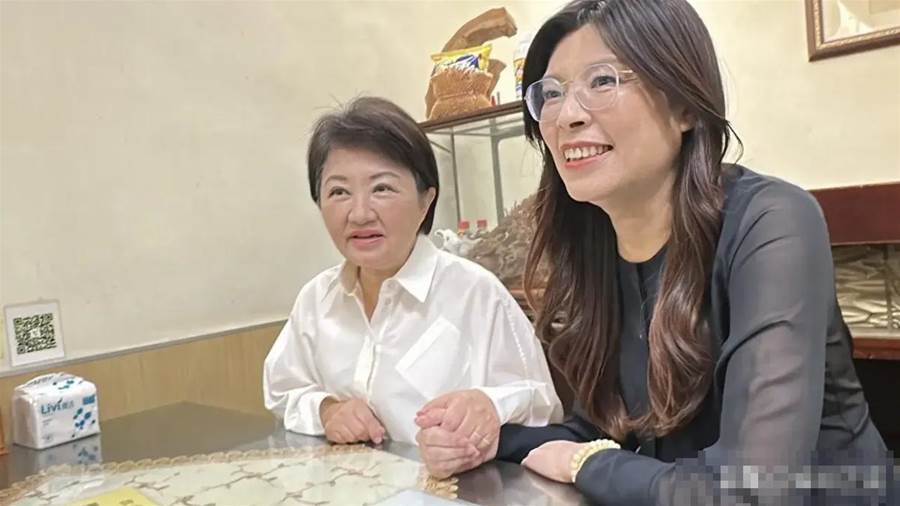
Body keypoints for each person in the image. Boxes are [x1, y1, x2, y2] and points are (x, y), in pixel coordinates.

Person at [415, 1, 892, 503]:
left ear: (685, 106)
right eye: (551, 93)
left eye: (602, 81)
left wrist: (586, 463)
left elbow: (754, 488)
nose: (567, 116)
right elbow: (602, 431)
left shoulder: (773, 221)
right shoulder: (595, 246)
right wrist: (490, 437)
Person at [262, 96, 562, 461]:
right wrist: (326, 411)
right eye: (339, 192)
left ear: (426, 200)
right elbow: (282, 390)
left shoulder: (475, 294)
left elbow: (542, 406)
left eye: (382, 188)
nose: (359, 214)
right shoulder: (316, 299)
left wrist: (488, 407)